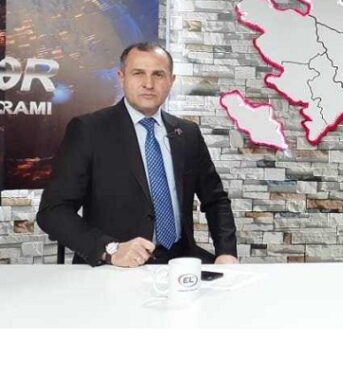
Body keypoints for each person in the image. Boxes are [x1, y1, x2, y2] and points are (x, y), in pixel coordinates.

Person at [37, 43, 238, 267]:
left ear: (171, 81)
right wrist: (110, 249)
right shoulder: (89, 130)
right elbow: (53, 211)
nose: (148, 84)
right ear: (121, 78)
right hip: (115, 268)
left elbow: (216, 200)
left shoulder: (187, 133)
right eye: (138, 73)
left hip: (181, 264)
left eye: (158, 75)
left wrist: (226, 252)